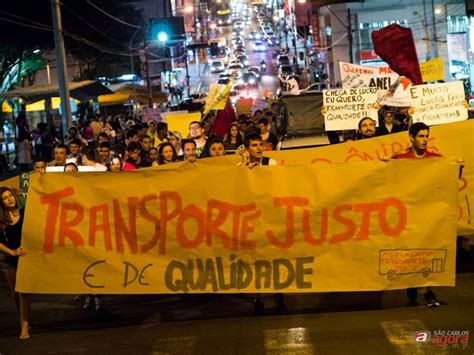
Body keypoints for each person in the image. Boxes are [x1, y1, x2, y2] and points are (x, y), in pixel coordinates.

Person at [390, 122, 442, 307]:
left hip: (428, 215)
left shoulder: (436, 159)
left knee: (427, 252)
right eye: (421, 136)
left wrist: (456, 168)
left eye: (427, 136)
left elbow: (447, 179)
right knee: (411, 252)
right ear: (411, 137)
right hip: (406, 215)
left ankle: (427, 291)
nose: (425, 140)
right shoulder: (399, 158)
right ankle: (412, 284)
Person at [0, 187, 30, 339]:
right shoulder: (1, 219)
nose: (9, 199)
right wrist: (11, 252)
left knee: (23, 292)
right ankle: (22, 319)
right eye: (4, 198)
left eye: (10, 195)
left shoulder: (24, 213)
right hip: (7, 259)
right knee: (15, 293)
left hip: (23, 258)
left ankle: (24, 325)